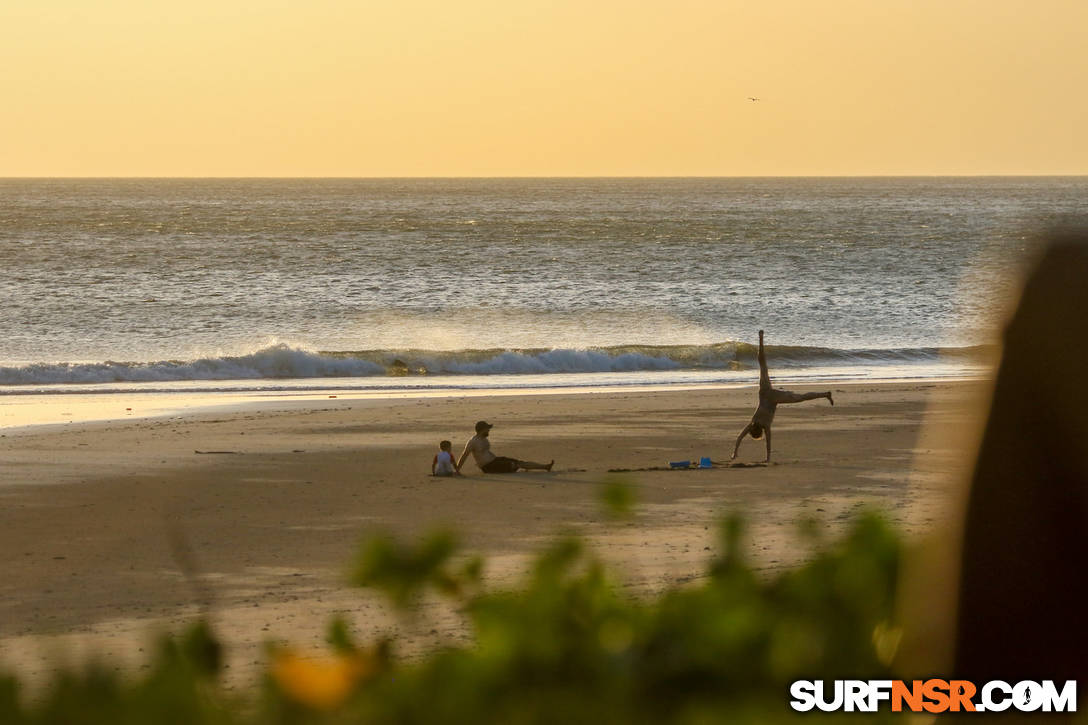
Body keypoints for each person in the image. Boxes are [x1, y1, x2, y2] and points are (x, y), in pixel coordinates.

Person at [731, 330, 833, 463]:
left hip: (771, 396)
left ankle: (825, 394)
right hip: (767, 393)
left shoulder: (761, 425)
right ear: (754, 430)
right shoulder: (754, 422)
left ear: (758, 432)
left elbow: (764, 442)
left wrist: (764, 457)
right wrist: (735, 451)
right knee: (763, 365)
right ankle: (761, 338)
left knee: (800, 397)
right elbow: (741, 438)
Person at [457, 420, 554, 474]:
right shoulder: (472, 441)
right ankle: (544, 467)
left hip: (495, 461)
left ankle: (545, 467)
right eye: (487, 429)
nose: (489, 431)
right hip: (488, 467)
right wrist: (457, 470)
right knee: (515, 465)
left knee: (519, 462)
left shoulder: (484, 438)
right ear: (482, 430)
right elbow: (464, 455)